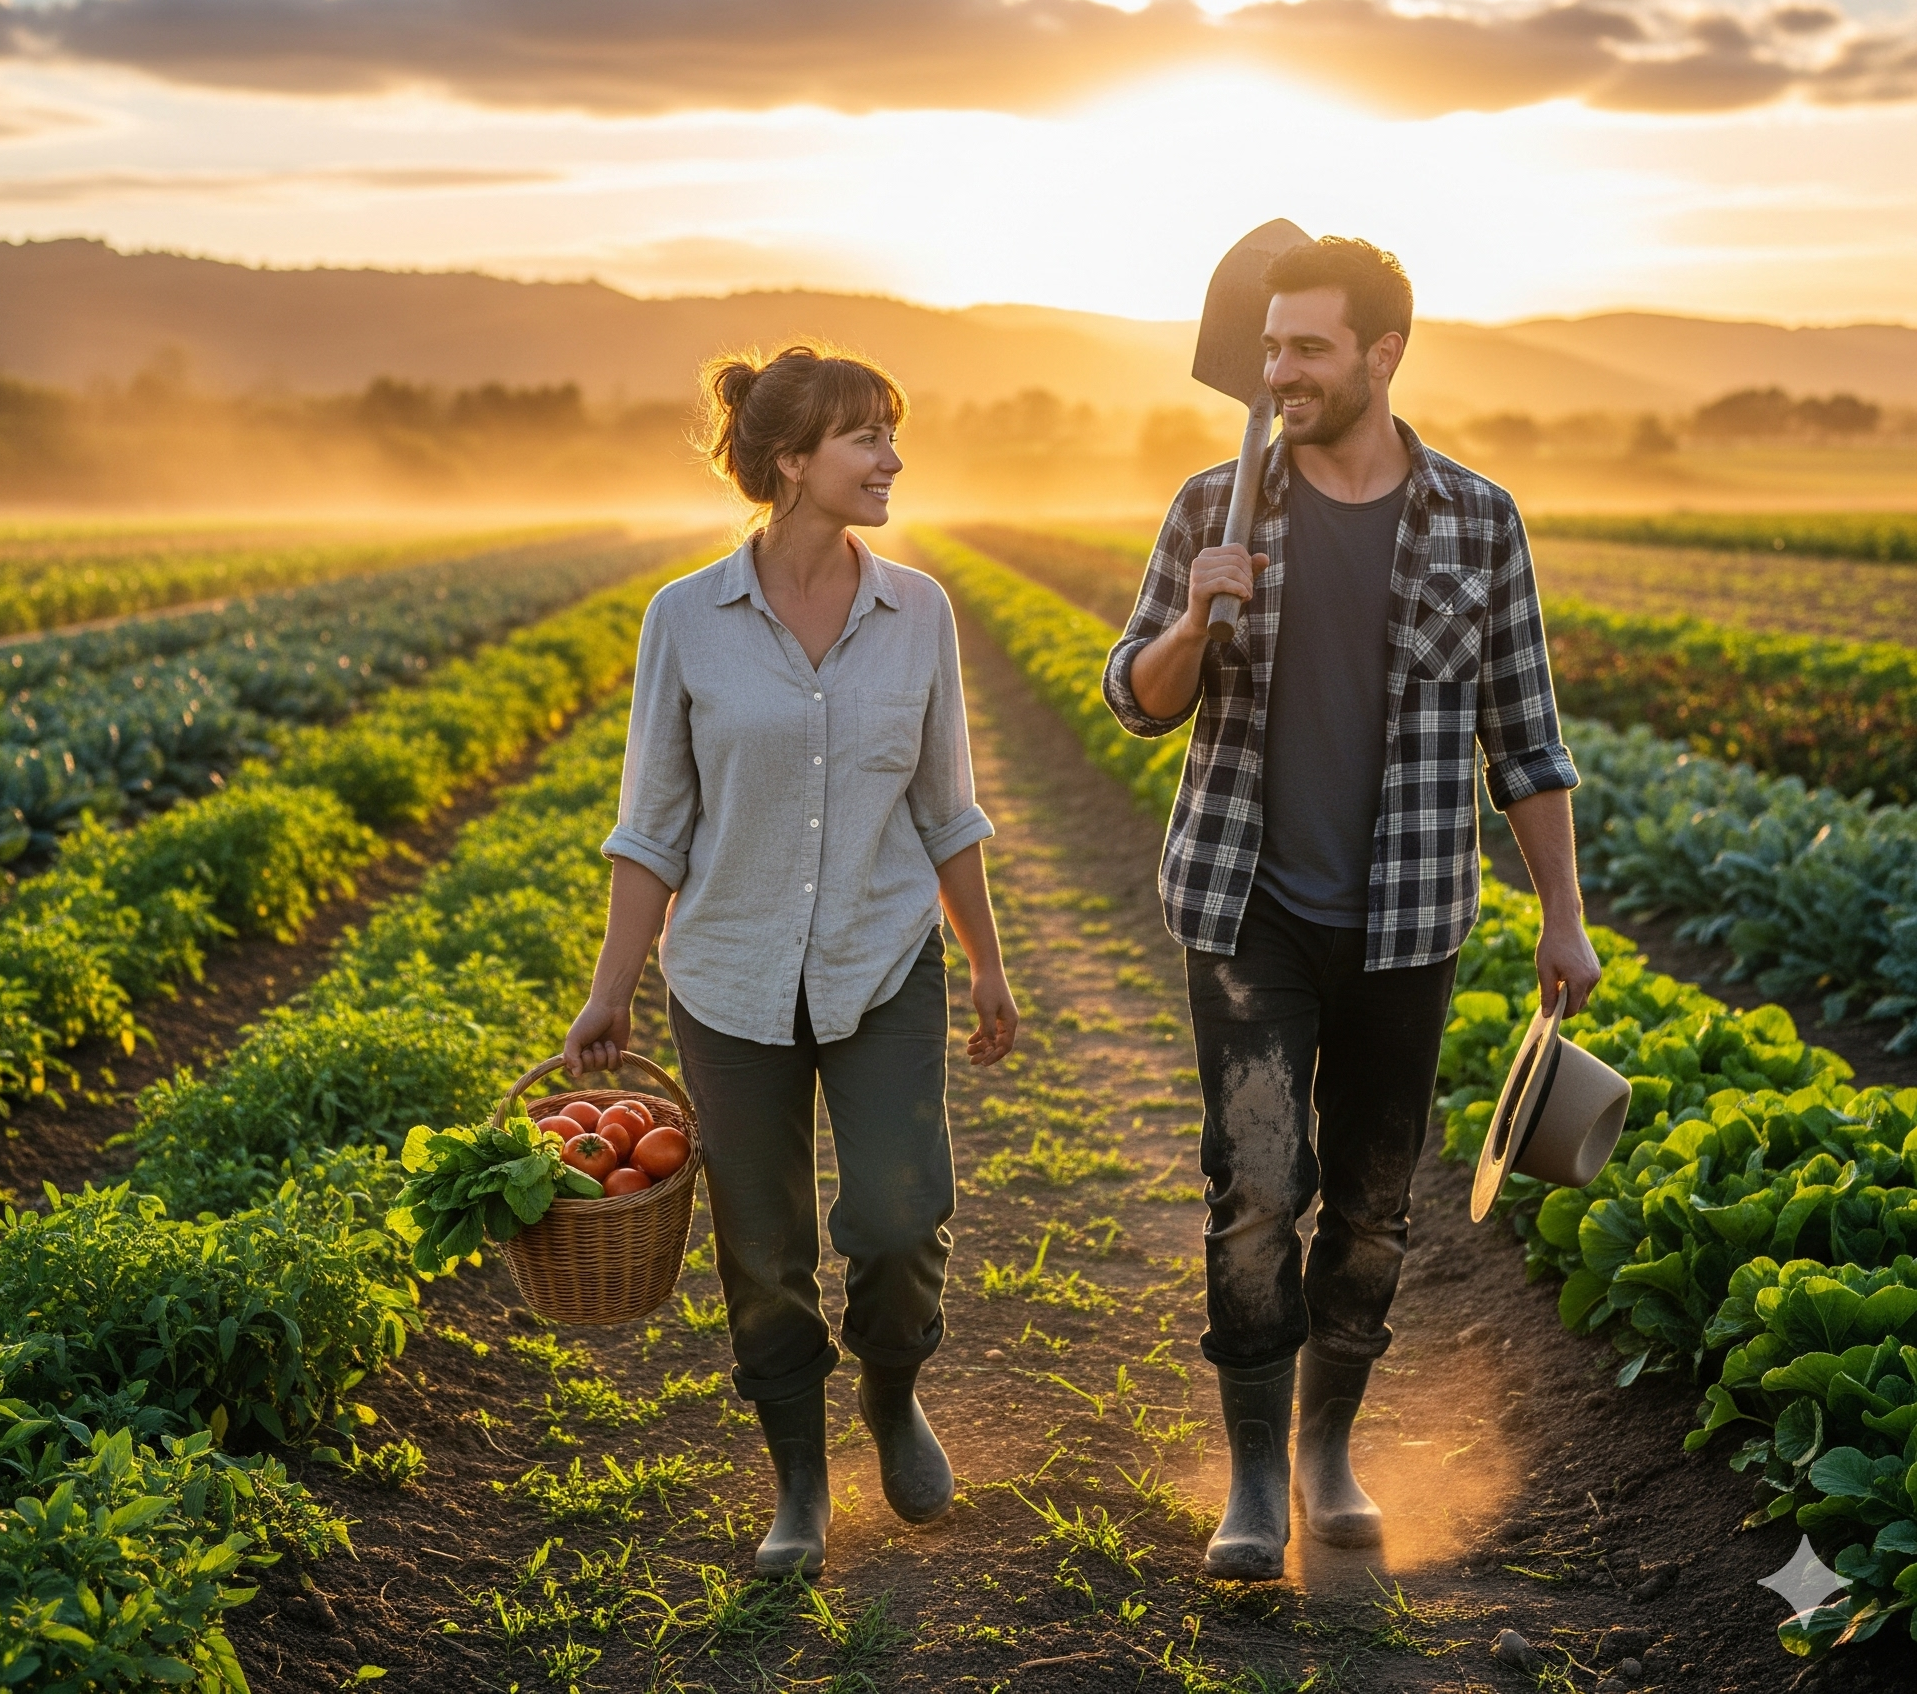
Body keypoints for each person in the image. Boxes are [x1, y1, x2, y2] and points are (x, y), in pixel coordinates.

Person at [1103, 236, 1599, 1580]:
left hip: (1407, 920)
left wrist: (1566, 914)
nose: (1280, 374)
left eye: (1307, 349)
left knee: (1375, 1210)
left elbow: (1528, 741)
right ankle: (1257, 1474)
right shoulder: (1214, 504)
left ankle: (1329, 1446)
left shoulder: (1479, 521)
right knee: (1256, 1193)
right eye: (1269, 350)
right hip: (1246, 910)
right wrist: (1195, 623)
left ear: (1384, 354)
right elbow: (1137, 701)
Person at [561, 341, 1020, 1578]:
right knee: (759, 1248)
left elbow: (946, 808)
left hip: (882, 958)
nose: (891, 457)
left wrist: (984, 959)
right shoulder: (685, 621)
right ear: (787, 461)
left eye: (890, 431)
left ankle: (890, 1387)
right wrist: (611, 989)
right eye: (865, 436)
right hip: (727, 974)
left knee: (896, 1209)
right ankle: (800, 1481)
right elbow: (651, 823)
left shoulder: (917, 610)